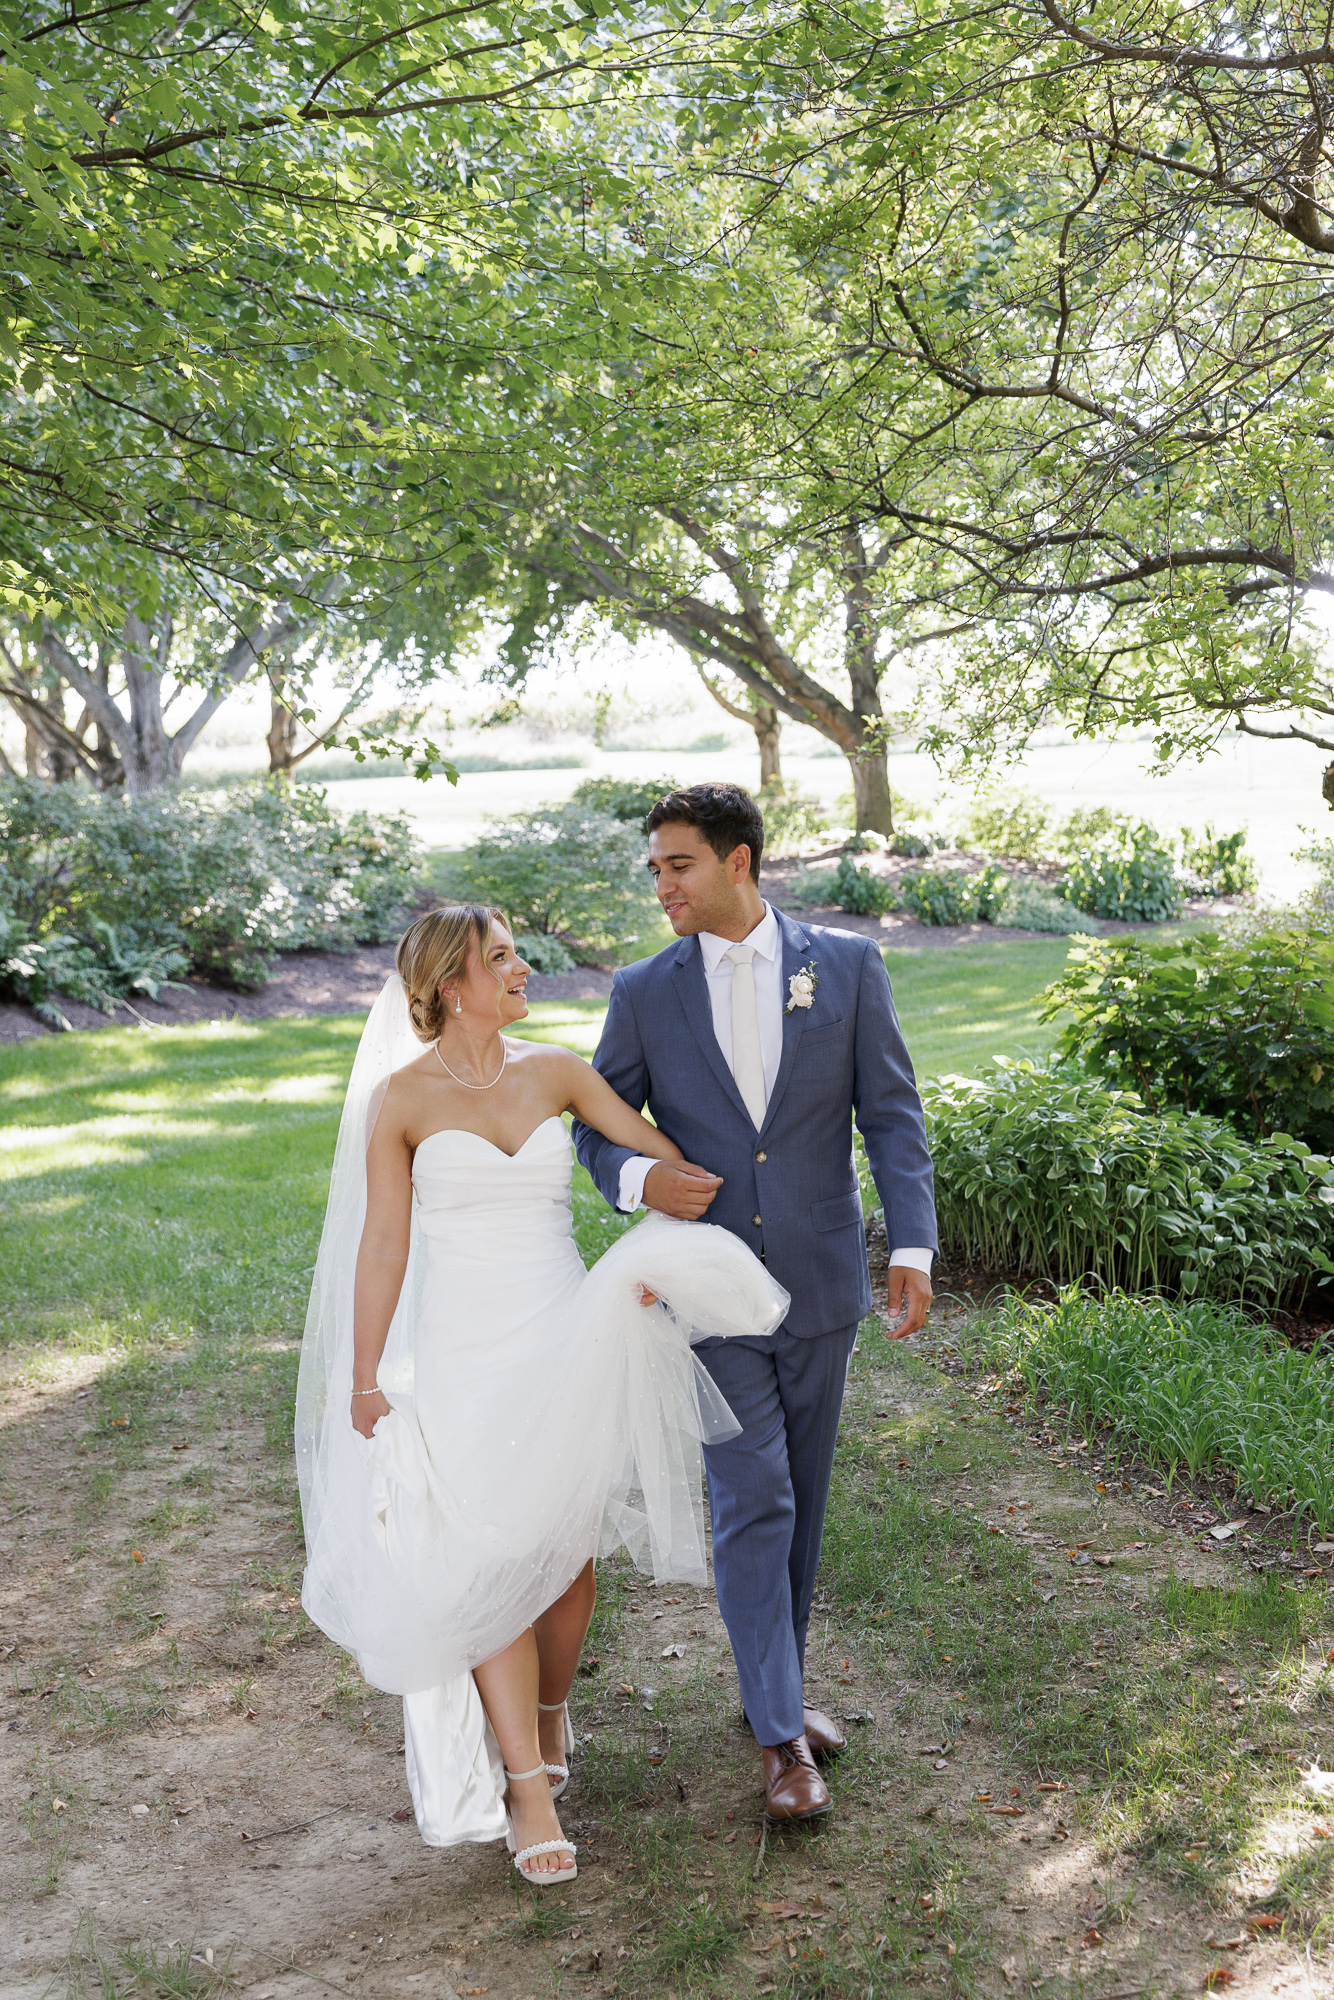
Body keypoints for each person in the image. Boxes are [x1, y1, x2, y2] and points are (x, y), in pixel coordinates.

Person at [295, 904, 787, 1885]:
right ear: (448, 983)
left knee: (564, 1563)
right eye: (501, 957)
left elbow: (660, 1163)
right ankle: (525, 1783)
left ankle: (551, 1710)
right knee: (490, 1555)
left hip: (560, 1328)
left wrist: (660, 1244)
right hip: (462, 1352)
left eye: (516, 953)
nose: (522, 968)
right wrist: (361, 1374)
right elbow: (385, 1244)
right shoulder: (398, 1099)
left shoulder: (557, 1070)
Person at [574, 783, 936, 1825]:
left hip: (822, 1278)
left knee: (803, 1499)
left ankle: (769, 1684)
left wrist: (907, 1242)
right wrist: (643, 1184)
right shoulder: (644, 990)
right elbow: (596, 1124)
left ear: (740, 862)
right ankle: (780, 1737)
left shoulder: (848, 968)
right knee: (753, 1491)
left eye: (676, 863)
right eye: (652, 866)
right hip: (706, 1286)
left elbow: (893, 1116)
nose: (659, 884)